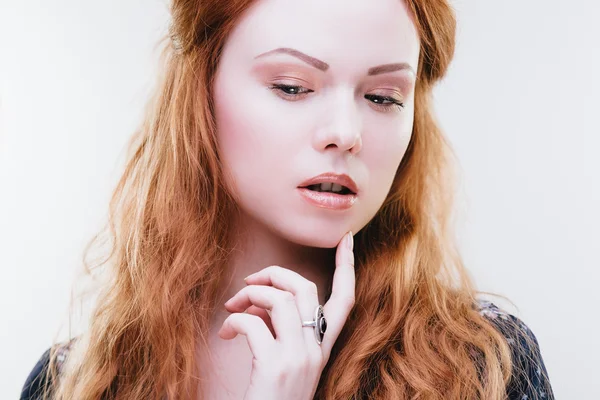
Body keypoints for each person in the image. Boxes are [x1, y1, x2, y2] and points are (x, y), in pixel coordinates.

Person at [20, 0, 555, 399]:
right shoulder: (75, 380)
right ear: (201, 93)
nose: (346, 133)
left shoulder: (482, 365)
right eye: (293, 87)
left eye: (383, 98)